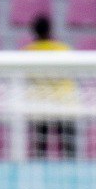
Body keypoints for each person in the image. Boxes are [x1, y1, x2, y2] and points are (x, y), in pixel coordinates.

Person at [23, 15, 77, 159]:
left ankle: (38, 175)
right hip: (64, 103)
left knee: (40, 148)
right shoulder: (62, 49)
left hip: (41, 104)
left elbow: (27, 79)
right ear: (50, 30)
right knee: (69, 149)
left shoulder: (28, 52)